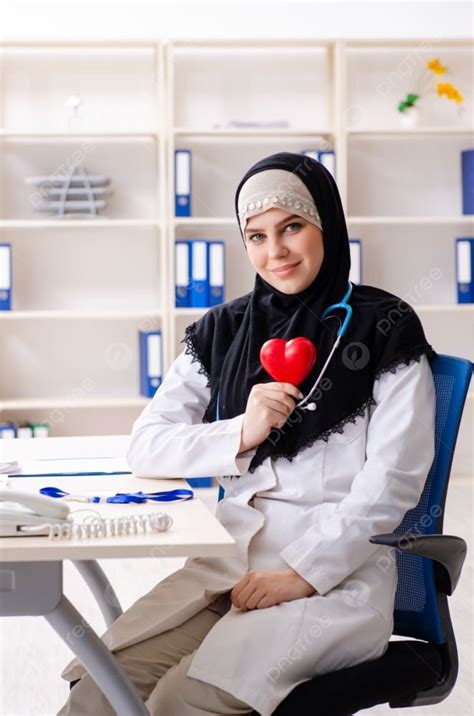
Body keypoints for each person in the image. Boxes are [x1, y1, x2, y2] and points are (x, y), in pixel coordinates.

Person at [59, 152, 437, 716]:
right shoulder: (223, 330)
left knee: (179, 702)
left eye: (292, 228)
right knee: (98, 691)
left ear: (327, 226)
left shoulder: (384, 326)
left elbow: (392, 483)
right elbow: (147, 443)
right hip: (224, 568)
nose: (275, 251)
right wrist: (241, 430)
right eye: (255, 236)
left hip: (330, 579)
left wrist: (303, 574)